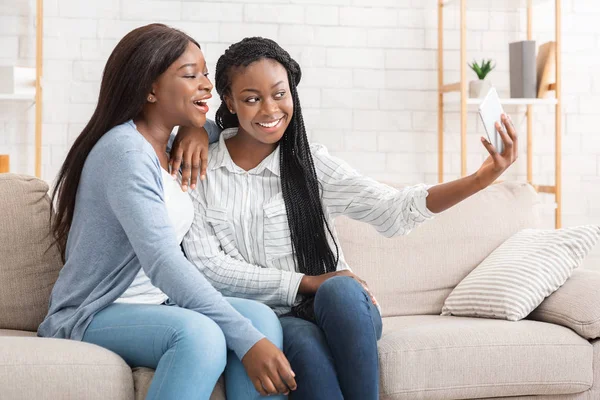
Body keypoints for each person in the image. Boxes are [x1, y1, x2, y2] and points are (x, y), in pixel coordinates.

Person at [182, 37, 519, 400]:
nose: (270, 109)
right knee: (303, 341)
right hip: (272, 317)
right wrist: (306, 282)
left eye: (280, 94)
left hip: (342, 313)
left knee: (341, 289)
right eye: (252, 98)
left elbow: (393, 208)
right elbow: (208, 267)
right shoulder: (198, 169)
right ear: (229, 102)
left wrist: (480, 179)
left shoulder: (312, 165)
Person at [37, 25, 297, 400]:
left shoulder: (171, 143)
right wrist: (245, 340)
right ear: (150, 88)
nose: (207, 85)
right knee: (200, 336)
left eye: (205, 73)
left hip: (159, 302)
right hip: (97, 310)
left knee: (262, 319)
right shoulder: (125, 153)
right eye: (191, 75)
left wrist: (195, 131)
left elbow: (223, 126)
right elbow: (162, 261)